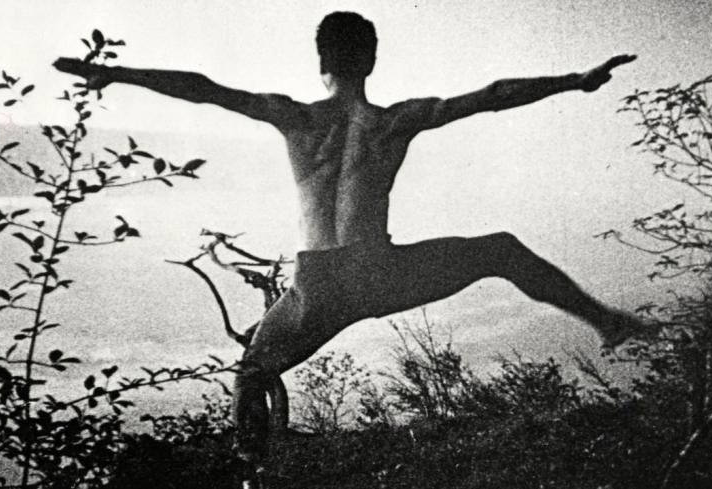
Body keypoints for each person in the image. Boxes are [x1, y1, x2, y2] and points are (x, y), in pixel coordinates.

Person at [55, 11, 641, 487]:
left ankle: (251, 471)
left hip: (315, 285)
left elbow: (204, 90)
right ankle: (607, 322)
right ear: (372, 61)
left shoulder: (293, 117)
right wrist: (575, 80)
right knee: (500, 250)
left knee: (253, 371)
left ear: (321, 64)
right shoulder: (396, 120)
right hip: (380, 271)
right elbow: (491, 95)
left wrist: (115, 73)